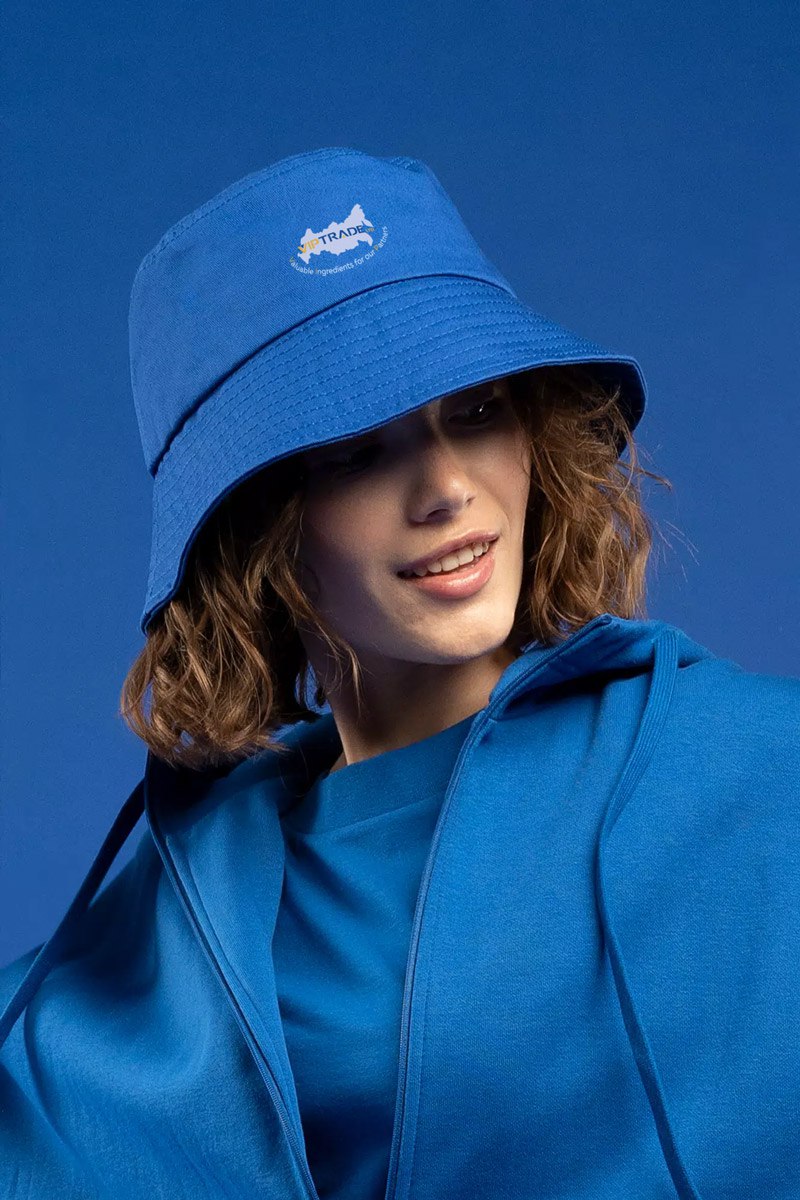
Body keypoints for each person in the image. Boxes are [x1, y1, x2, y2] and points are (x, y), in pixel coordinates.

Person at [0, 147, 798, 1200]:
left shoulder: (753, 764)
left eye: (476, 411)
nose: (446, 488)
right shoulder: (181, 909)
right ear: (255, 528)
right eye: (353, 451)